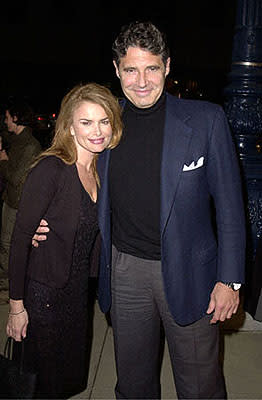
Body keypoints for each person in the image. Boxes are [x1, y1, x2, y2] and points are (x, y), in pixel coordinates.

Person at [33, 21, 246, 399]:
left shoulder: (206, 120)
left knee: (200, 387)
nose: (141, 81)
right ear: (117, 70)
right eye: (131, 69)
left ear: (167, 66)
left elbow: (231, 207)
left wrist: (229, 280)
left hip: (191, 272)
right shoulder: (105, 123)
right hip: (125, 270)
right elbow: (69, 172)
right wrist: (41, 221)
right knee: (133, 385)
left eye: (151, 68)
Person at [6, 83, 122, 399]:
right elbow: (19, 240)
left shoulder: (102, 169)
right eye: (86, 122)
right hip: (43, 294)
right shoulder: (51, 168)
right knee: (40, 384)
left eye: (104, 121)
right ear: (69, 127)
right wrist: (17, 307)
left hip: (77, 294)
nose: (97, 131)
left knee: (65, 379)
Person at [0, 100, 41, 292]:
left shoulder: (29, 146)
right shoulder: (16, 140)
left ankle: (10, 286)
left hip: (17, 202)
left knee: (9, 244)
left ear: (16, 118)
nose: (5, 121)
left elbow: (16, 178)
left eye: (7, 117)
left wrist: (3, 158)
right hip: (10, 198)